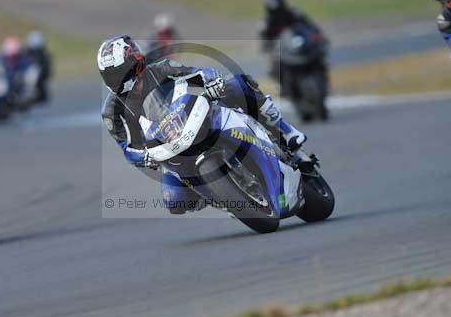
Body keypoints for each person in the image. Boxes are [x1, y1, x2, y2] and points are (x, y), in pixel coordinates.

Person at [99, 35, 306, 214]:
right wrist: (143, 156)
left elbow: (198, 72)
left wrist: (213, 82)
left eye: (119, 73)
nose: (116, 80)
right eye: (110, 76)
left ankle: (285, 132)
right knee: (174, 201)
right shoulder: (111, 112)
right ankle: (221, 197)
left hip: (195, 117)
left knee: (238, 84)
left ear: (136, 64)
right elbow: (125, 147)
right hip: (166, 148)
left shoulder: (161, 69)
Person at [26, 31, 52, 103]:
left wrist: (42, 74)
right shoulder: (26, 53)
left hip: (39, 76)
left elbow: (48, 69)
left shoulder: (44, 55)